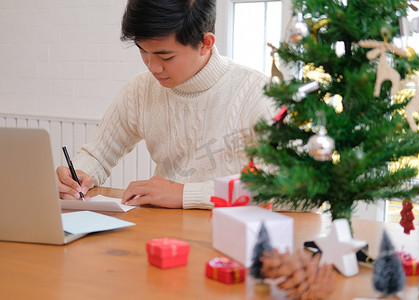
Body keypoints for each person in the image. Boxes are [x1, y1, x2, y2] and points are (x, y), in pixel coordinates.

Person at [56, 0, 274, 209]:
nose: (153, 67)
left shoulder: (257, 93)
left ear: (205, 44)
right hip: (162, 231)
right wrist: (78, 175)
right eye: (143, 51)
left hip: (232, 236)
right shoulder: (140, 90)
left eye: (166, 57)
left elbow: (290, 187)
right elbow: (98, 155)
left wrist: (184, 194)